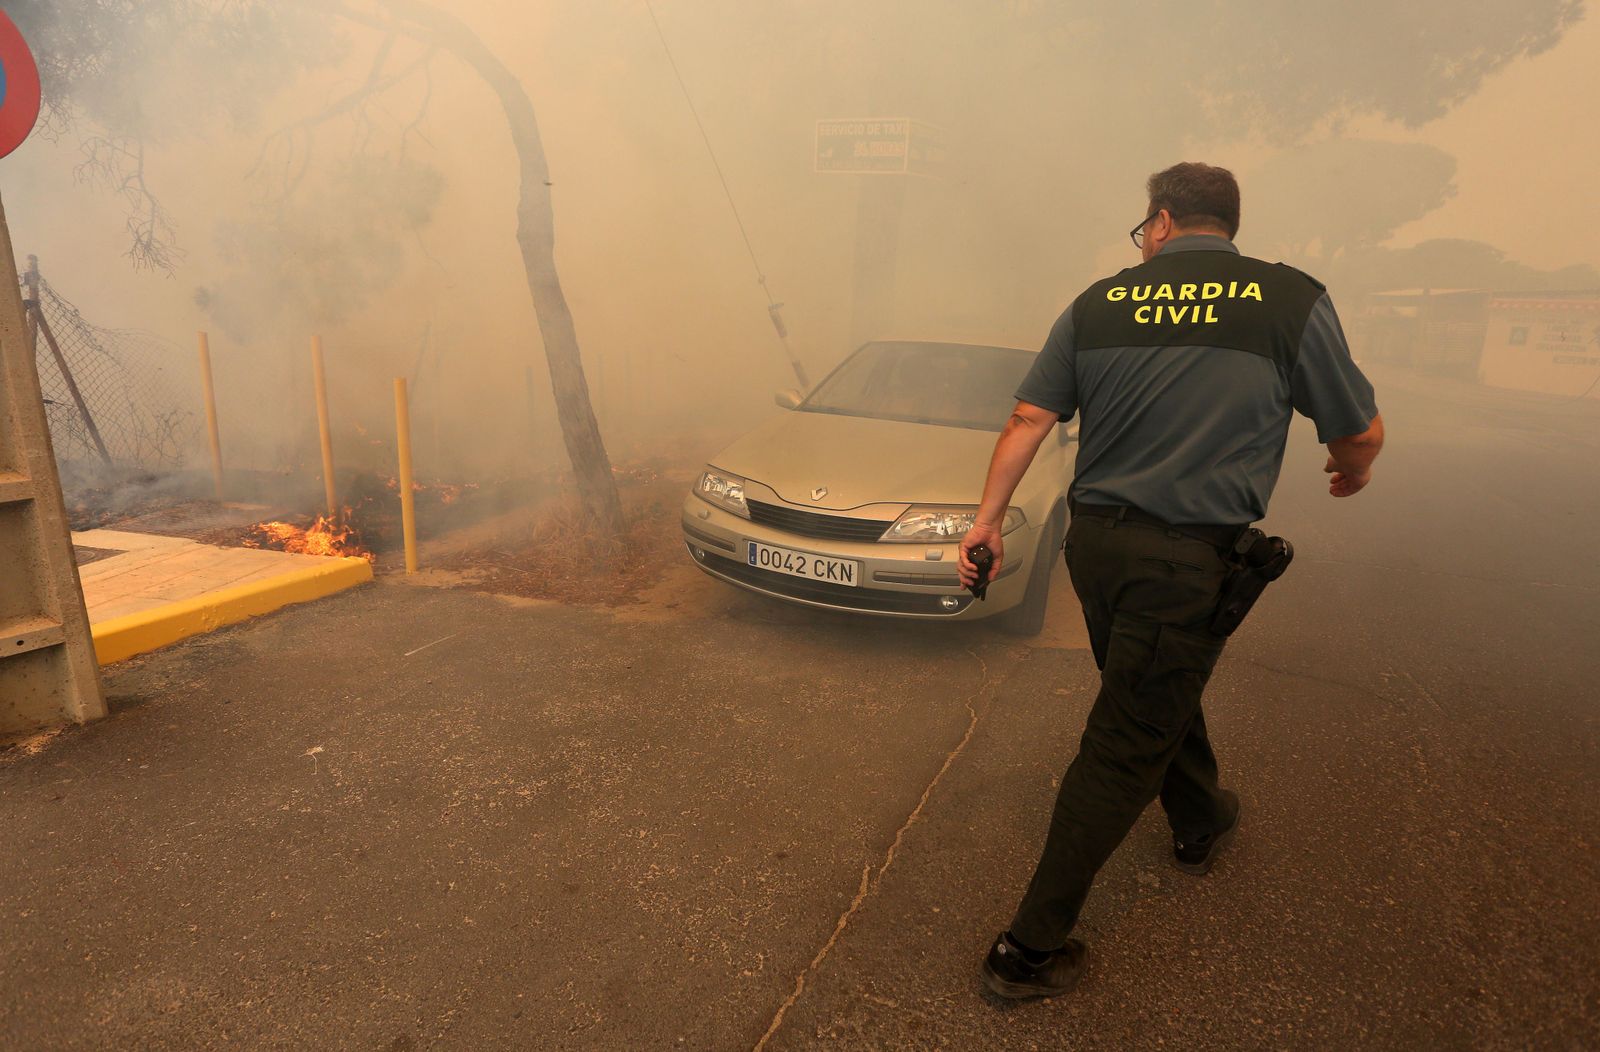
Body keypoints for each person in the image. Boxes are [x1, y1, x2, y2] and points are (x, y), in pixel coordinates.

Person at [958, 162, 1383, 999]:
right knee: (1124, 739)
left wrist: (984, 522)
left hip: (1097, 550)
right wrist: (1350, 470)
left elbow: (1027, 419)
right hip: (1185, 560)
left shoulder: (1098, 302)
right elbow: (1358, 432)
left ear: (1159, 221)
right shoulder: (1289, 299)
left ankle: (1200, 818)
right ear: (1224, 223)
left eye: (1142, 229)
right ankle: (1028, 952)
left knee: (1147, 684)